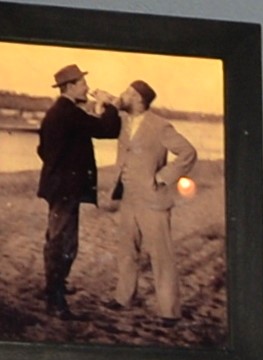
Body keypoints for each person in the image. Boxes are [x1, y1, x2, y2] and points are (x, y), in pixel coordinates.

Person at [101, 79, 197, 321]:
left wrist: (163, 177)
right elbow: (113, 105)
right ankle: (123, 298)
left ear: (138, 98)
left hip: (154, 200)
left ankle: (169, 312)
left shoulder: (160, 126)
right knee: (127, 251)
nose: (122, 94)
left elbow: (188, 152)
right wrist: (105, 100)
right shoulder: (124, 120)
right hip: (128, 198)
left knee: (161, 256)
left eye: (127, 92)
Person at [34, 64, 120, 315]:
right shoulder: (69, 113)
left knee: (57, 238)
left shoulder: (58, 111)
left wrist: (59, 168)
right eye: (83, 83)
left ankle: (54, 287)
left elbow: (42, 150)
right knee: (64, 243)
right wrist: (109, 105)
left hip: (57, 186)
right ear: (70, 87)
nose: (87, 88)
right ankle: (55, 300)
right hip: (65, 189)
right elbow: (108, 130)